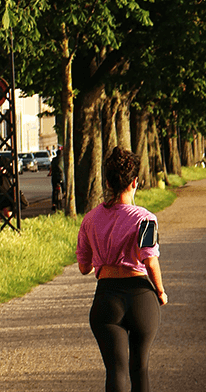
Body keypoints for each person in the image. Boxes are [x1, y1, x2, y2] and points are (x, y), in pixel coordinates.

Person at [76, 146, 167, 392]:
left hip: (107, 297)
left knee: (115, 370)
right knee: (140, 368)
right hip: (140, 297)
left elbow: (84, 267)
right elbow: (149, 259)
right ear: (135, 182)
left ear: (107, 182)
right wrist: (160, 291)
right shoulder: (146, 219)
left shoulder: (90, 219)